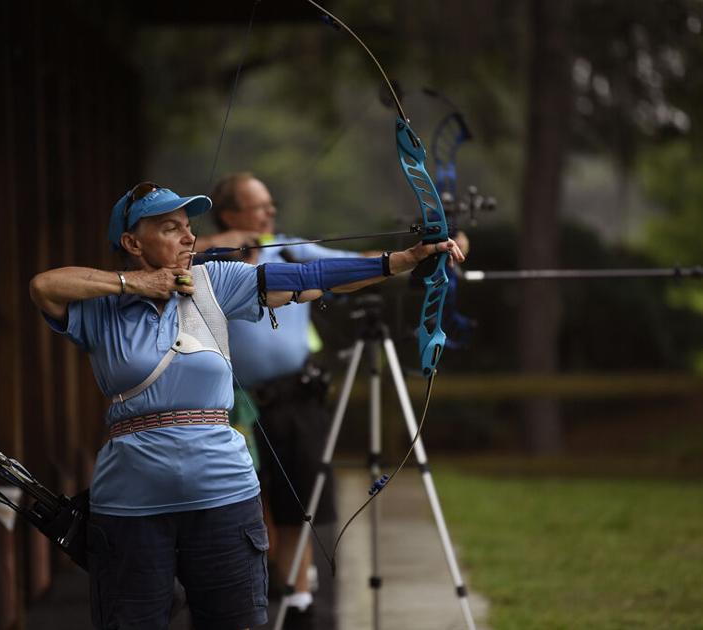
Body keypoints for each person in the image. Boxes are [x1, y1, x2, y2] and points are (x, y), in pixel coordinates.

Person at [29, 181, 464, 630]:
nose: (188, 237)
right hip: (131, 501)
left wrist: (402, 260)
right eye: (169, 228)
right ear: (132, 242)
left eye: (188, 227)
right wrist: (133, 283)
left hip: (223, 494)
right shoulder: (100, 307)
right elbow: (44, 286)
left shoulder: (211, 282)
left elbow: (309, 278)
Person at [195, 173, 380, 623]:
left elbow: (357, 262)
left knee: (299, 499)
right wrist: (222, 241)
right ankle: (269, 585)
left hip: (295, 397)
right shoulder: (209, 261)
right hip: (236, 403)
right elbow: (168, 260)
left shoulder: (291, 250)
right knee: (248, 501)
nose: (270, 213)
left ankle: (298, 597)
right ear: (231, 214)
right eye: (259, 207)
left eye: (271, 205)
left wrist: (414, 256)